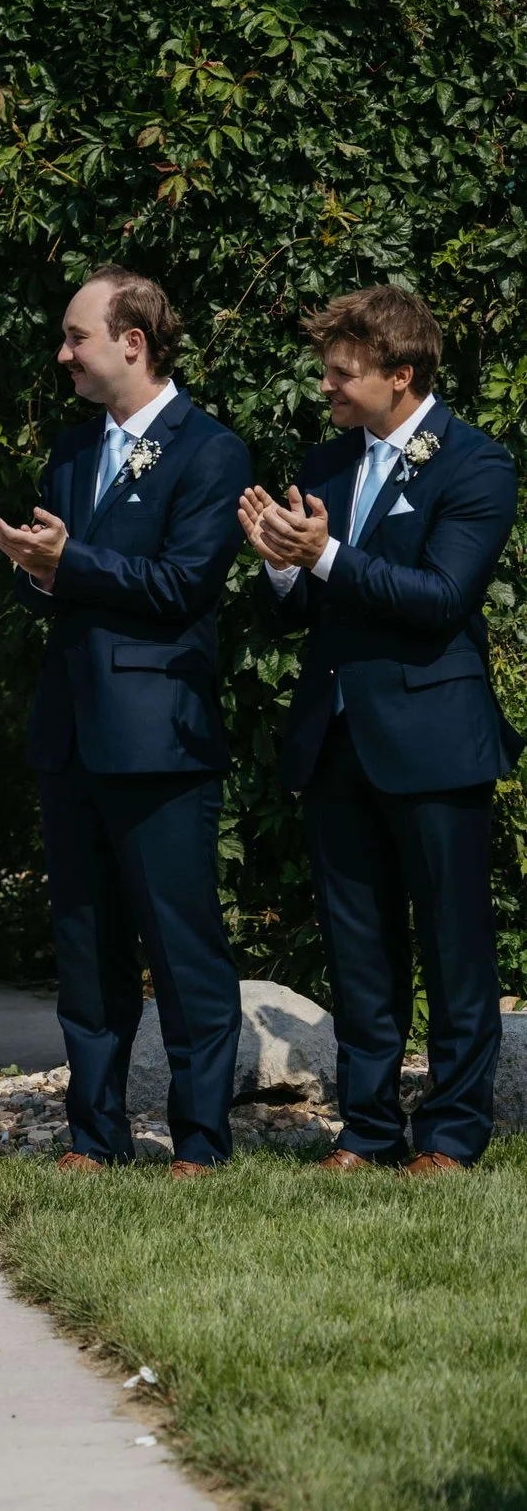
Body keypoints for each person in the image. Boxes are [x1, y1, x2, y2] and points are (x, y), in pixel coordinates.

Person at [238, 287, 522, 1173]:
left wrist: (320, 554)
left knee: (454, 949)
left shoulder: (476, 464)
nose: (324, 384)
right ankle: (367, 1130)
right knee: (359, 951)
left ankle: (450, 1133)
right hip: (336, 739)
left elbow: (440, 600)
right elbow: (294, 613)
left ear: (402, 376)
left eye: (342, 373)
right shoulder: (325, 462)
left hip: (434, 740)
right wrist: (283, 571)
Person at [0, 267, 252, 1177]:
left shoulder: (210, 451)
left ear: (131, 342)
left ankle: (201, 1141)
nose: (63, 354)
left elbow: (183, 585)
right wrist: (33, 569)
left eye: (76, 337)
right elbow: (68, 584)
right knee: (85, 946)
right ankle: (92, 1136)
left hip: (159, 734)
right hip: (72, 731)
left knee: (182, 947)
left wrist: (71, 565)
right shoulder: (71, 448)